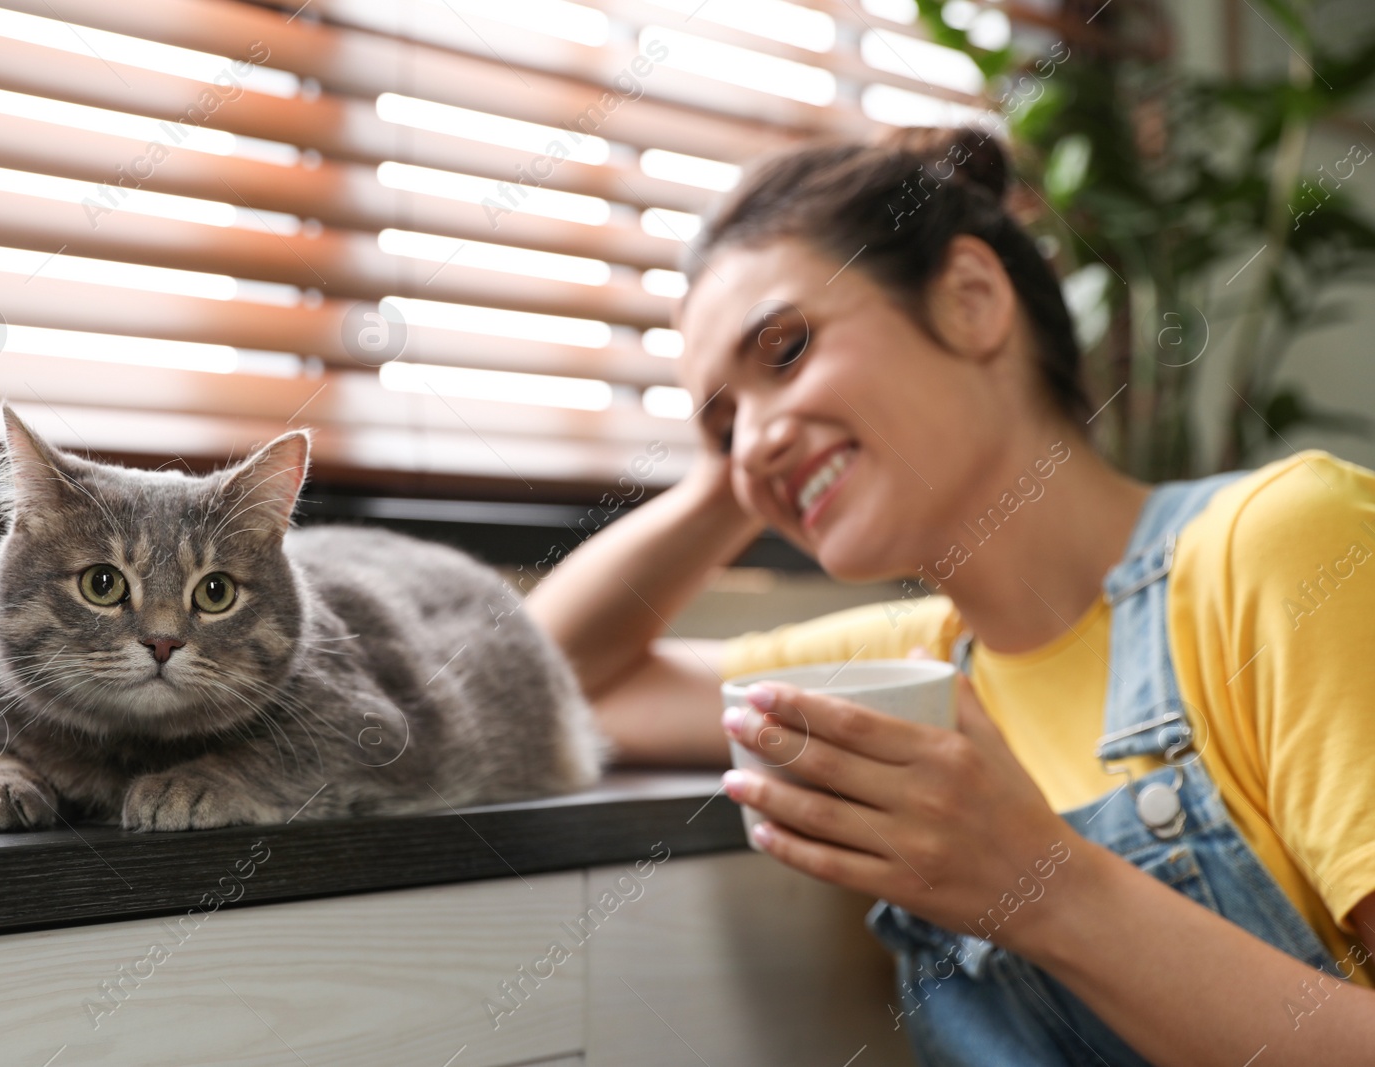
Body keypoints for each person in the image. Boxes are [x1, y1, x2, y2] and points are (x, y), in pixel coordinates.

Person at [524, 126, 1375, 1065]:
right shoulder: (909, 674)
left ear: (971, 299)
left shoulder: (1280, 547)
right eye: (722, 423)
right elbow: (547, 683)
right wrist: (737, 467)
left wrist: (1046, 889)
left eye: (788, 348)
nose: (753, 438)